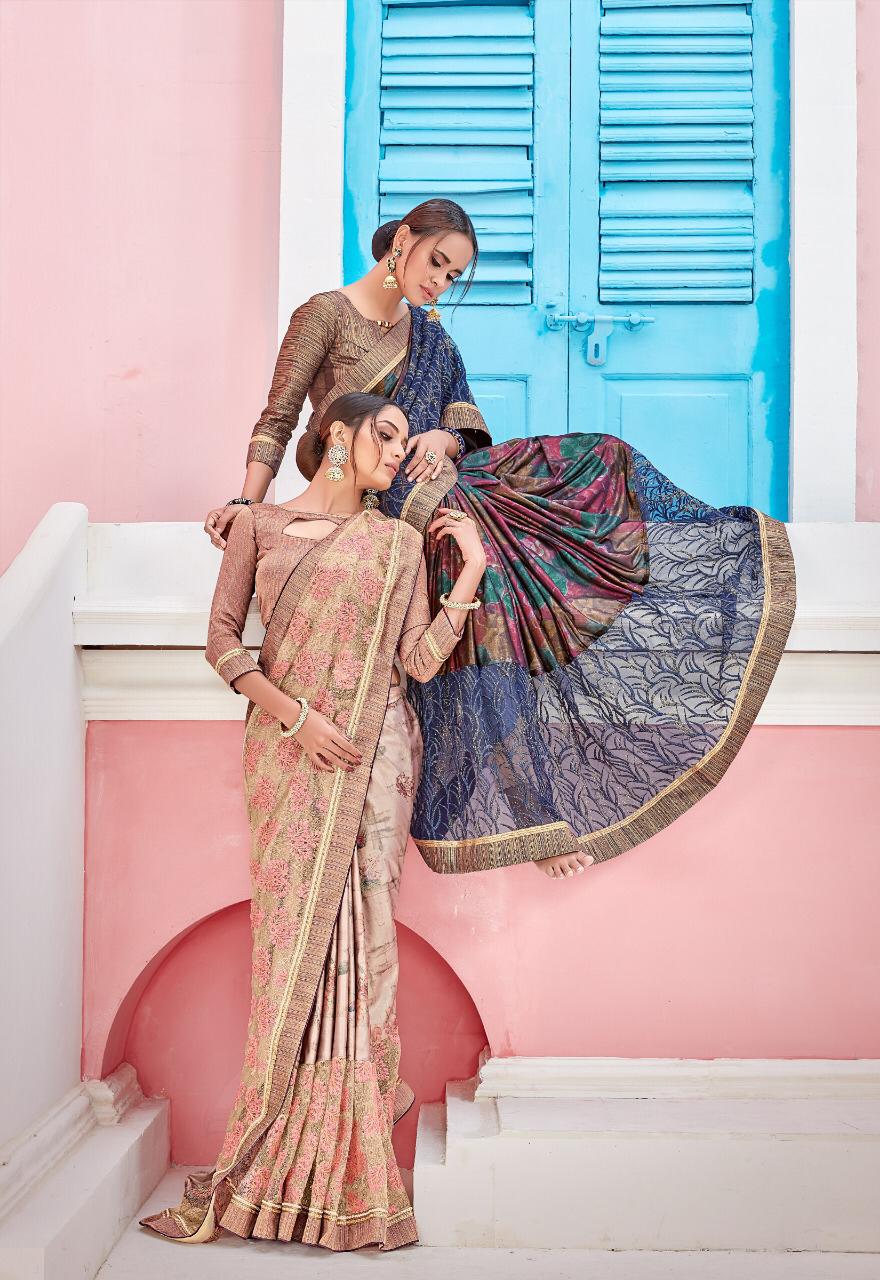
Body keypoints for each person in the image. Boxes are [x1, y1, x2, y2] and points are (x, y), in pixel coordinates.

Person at [203, 198, 797, 882]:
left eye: (452, 277)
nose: (438, 284)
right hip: (385, 507)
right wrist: (248, 502)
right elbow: (279, 416)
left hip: (448, 487)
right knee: (486, 596)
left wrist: (442, 437)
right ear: (402, 240)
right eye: (435, 263)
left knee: (598, 458)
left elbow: (466, 428)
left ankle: (701, 565)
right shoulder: (323, 316)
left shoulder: (432, 337)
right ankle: (531, 811)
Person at [139, 392, 485, 1249]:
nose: (398, 452)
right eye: (386, 435)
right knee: (289, 953)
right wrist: (297, 718)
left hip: (373, 761)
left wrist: (469, 574)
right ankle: (273, 1149)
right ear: (338, 433)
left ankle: (348, 1144)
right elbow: (224, 642)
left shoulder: (398, 544)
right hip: (289, 759)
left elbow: (416, 662)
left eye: (404, 441)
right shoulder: (257, 527)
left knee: (364, 946)